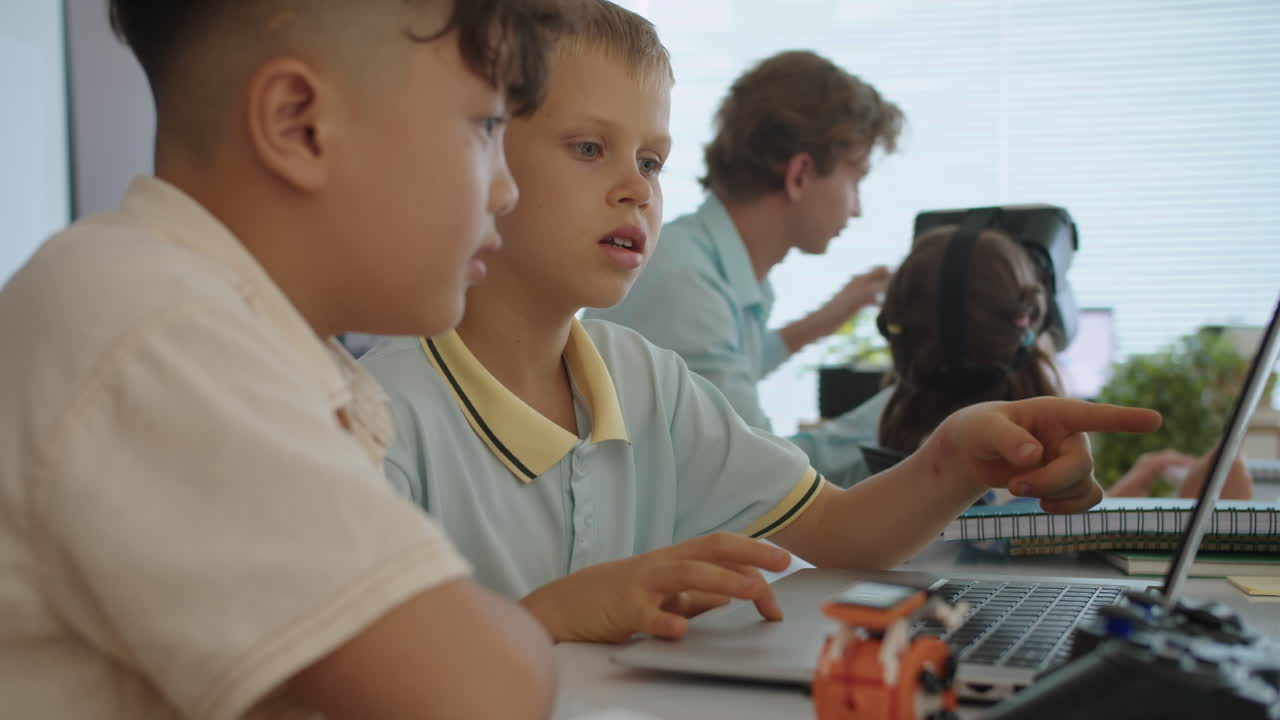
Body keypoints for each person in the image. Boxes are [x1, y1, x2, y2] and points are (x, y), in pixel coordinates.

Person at [361, 0, 1162, 647]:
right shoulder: (379, 416)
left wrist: (954, 456)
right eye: (587, 147)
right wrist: (548, 619)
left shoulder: (648, 382)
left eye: (650, 161)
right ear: (481, 156)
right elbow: (348, 685)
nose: (637, 190)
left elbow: (836, 531)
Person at [0, 1, 564, 718]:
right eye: (486, 126)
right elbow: (482, 693)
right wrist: (531, 624)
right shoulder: (153, 323)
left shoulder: (247, 334)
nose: (507, 189)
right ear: (299, 124)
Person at [585, 50, 899, 487]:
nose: (858, 207)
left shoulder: (705, 262)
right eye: (855, 178)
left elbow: (727, 365)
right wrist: (904, 406)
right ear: (801, 175)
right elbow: (765, 479)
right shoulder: (685, 283)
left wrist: (833, 315)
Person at [868, 224, 1252, 499]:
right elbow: (1020, 548)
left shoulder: (850, 457)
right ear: (1032, 320)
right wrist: (1208, 525)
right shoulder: (1022, 464)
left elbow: (1014, 544)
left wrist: (1116, 506)